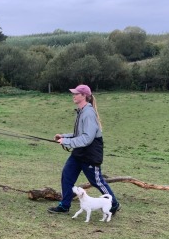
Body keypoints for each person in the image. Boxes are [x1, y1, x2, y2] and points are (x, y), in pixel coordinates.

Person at [48, 84, 121, 216]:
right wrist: (64, 136)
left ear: (84, 96)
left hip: (90, 154)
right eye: (74, 93)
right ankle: (64, 205)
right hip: (79, 153)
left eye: (76, 93)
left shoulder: (88, 113)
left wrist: (67, 142)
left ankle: (114, 204)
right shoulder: (81, 111)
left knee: (97, 181)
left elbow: (87, 138)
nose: (73, 96)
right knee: (67, 176)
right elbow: (79, 134)